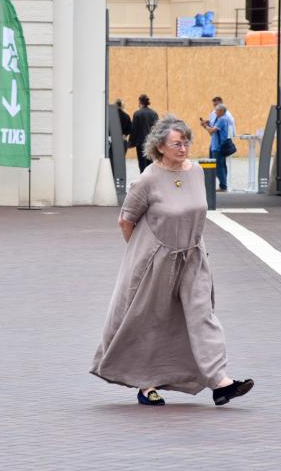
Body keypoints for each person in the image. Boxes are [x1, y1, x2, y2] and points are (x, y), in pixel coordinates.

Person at [91, 115, 254, 407]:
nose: (183, 148)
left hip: (193, 256)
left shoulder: (196, 173)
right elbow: (126, 220)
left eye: (186, 141)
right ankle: (146, 384)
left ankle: (220, 382)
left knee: (203, 315)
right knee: (150, 321)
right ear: (160, 147)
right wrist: (143, 253)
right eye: (176, 143)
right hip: (156, 261)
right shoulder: (148, 179)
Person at [202, 103, 235, 192]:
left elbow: (212, 131)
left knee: (219, 167)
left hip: (218, 147)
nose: (215, 112)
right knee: (221, 166)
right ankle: (223, 185)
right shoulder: (218, 119)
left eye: (216, 110)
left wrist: (205, 126)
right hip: (215, 146)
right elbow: (212, 127)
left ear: (221, 111)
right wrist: (208, 123)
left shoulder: (222, 119)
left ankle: (223, 186)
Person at [129, 94, 159, 173]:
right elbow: (157, 129)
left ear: (140, 102)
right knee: (151, 164)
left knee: (142, 165)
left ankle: (144, 180)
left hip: (141, 143)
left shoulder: (137, 114)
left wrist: (131, 143)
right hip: (151, 143)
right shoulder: (154, 113)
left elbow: (134, 129)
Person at [110, 99, 132, 174]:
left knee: (112, 161)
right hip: (122, 141)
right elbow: (130, 130)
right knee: (120, 161)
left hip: (112, 141)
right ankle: (119, 177)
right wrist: (125, 134)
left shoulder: (110, 117)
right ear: (121, 106)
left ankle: (112, 177)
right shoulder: (126, 116)